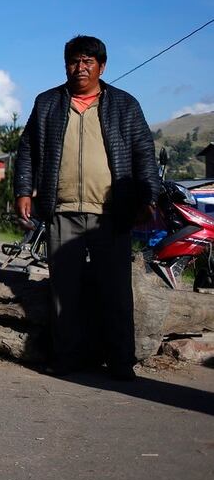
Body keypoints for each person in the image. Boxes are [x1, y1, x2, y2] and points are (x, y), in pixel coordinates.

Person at [15, 35, 160, 380]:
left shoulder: (124, 105)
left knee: (116, 291)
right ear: (66, 65)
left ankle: (121, 362)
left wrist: (149, 196)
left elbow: (144, 152)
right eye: (74, 61)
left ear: (102, 66)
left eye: (88, 62)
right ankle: (67, 360)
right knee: (65, 291)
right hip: (62, 210)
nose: (80, 68)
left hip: (111, 213)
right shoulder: (48, 103)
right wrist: (23, 190)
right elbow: (27, 151)